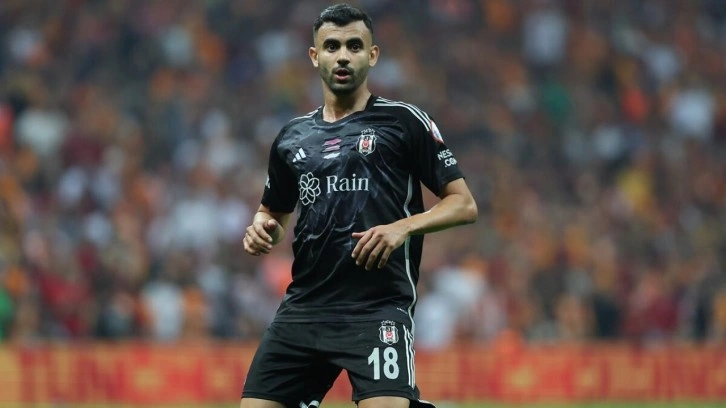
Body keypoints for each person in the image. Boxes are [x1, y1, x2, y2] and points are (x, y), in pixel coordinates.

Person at [240, 4, 477, 408]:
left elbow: (464, 204)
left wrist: (402, 227)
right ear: (315, 56)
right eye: (332, 46)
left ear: (373, 54)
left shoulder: (404, 122)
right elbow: (273, 213)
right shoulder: (292, 137)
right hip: (304, 308)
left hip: (376, 309)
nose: (343, 56)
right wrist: (261, 228)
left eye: (354, 46)